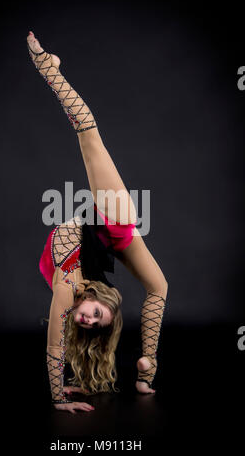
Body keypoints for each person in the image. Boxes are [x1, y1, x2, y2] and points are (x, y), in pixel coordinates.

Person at [27, 31, 168, 414]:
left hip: (97, 237)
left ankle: (51, 67)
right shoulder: (73, 288)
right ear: (96, 298)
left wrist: (59, 397)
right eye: (98, 316)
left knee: (89, 135)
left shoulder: (66, 292)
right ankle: (47, 68)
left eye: (87, 324)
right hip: (113, 227)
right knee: (88, 133)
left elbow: (56, 345)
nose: (87, 319)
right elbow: (56, 346)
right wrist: (145, 362)